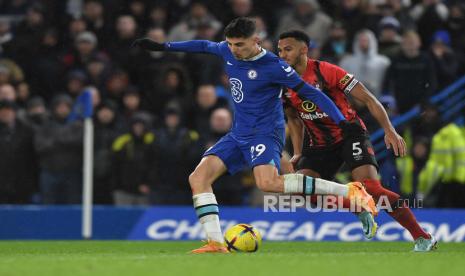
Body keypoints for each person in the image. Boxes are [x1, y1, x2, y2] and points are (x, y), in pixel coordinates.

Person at [132, 17, 376, 254]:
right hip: (239, 133)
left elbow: (314, 95)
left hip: (266, 132)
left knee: (268, 183)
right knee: (198, 178)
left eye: (239, 44)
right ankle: (216, 244)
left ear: (256, 40)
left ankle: (349, 191)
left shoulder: (274, 66)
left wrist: (341, 122)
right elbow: (203, 46)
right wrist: (164, 46)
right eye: (230, 44)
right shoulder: (227, 51)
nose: (233, 50)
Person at [277, 30, 437, 251]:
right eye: (279, 50)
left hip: (349, 134)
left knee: (372, 188)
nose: (282, 54)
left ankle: (422, 237)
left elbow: (369, 99)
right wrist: (297, 152)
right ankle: (358, 207)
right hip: (319, 143)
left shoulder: (327, 71)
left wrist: (389, 130)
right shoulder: (282, 81)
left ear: (303, 50)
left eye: (288, 49)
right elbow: (293, 118)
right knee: (302, 189)